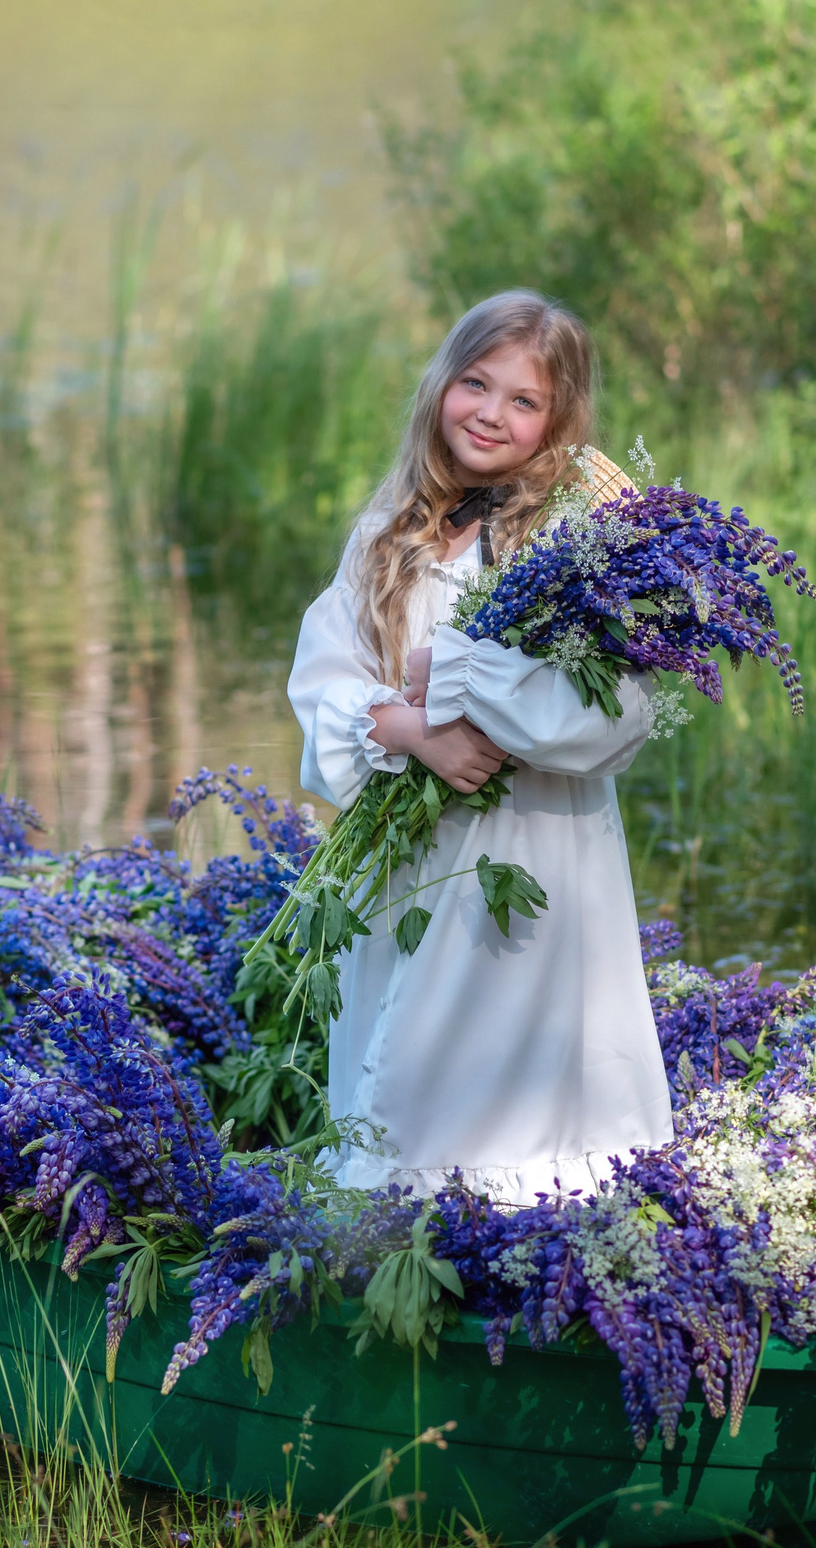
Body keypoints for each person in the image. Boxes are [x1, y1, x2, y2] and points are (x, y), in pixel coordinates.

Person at [286, 290, 672, 1201]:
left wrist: (461, 684)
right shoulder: (389, 536)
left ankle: (519, 1267)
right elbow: (328, 675)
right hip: (411, 859)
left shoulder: (579, 548)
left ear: (559, 420)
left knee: (510, 1089)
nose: (492, 413)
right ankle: (392, 1245)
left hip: (532, 852)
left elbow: (615, 715)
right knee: (396, 1046)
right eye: (475, 383)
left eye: (523, 400)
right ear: (440, 387)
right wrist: (417, 733)